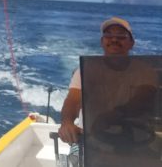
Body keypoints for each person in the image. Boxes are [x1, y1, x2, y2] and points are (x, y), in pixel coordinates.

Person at [58, 17, 158, 165]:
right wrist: (67, 122)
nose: (114, 39)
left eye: (121, 36)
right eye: (108, 35)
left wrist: (113, 115)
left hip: (134, 141)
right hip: (91, 140)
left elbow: (143, 99)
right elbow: (73, 100)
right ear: (102, 42)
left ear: (131, 43)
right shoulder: (86, 69)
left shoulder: (145, 70)